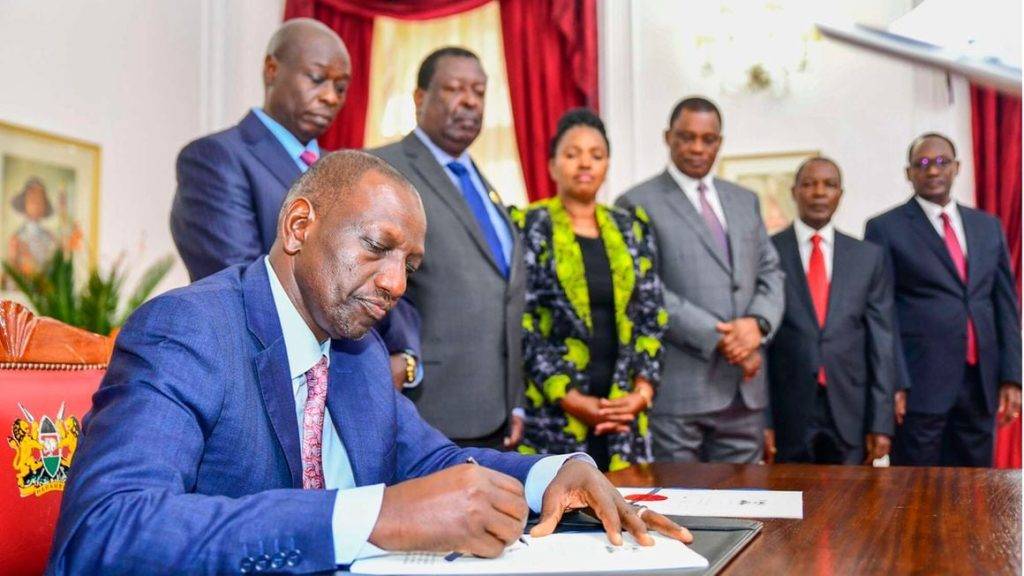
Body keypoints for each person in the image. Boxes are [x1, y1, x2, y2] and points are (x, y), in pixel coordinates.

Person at [46, 151, 691, 575]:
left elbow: (430, 461)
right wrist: (377, 518)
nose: (395, 284)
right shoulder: (188, 330)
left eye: (409, 266)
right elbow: (105, 532)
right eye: (378, 248)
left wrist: (555, 473)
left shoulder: (355, 349)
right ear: (299, 225)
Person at [169, 18, 419, 388]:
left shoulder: (356, 175)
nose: (331, 97)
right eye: (317, 79)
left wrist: (406, 359)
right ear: (272, 70)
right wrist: (366, 364)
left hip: (355, 381)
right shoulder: (216, 158)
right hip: (260, 381)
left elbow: (392, 275)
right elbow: (247, 282)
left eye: (341, 87)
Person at [369, 47, 525, 448]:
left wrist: (516, 401)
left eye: (478, 91)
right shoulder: (384, 170)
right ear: (420, 98)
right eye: (455, 88)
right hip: (426, 406)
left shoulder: (479, 179)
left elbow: (503, 293)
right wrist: (404, 363)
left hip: (493, 410)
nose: (470, 101)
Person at [616, 96, 784, 464]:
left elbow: (771, 270)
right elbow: (645, 291)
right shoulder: (635, 203)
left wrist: (757, 324)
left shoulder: (744, 200)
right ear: (668, 137)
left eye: (707, 139)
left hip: (746, 389)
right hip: (680, 390)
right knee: (682, 510)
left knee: (747, 510)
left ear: (719, 143)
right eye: (686, 137)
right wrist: (722, 337)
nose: (696, 147)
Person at [515, 109, 665, 472]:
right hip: (555, 413)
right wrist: (571, 399)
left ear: (607, 164)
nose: (585, 163)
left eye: (596, 155)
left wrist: (641, 394)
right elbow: (523, 325)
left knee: (629, 513)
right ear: (552, 165)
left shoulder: (632, 228)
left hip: (623, 412)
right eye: (572, 154)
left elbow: (652, 315)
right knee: (560, 517)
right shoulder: (528, 225)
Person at [864, 133, 1022, 467]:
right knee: (917, 494)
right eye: (922, 164)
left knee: (975, 490)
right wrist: (895, 381)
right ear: (909, 173)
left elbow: (1005, 304)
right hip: (920, 383)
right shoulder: (885, 228)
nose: (932, 171)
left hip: (980, 382)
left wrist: (1012, 376)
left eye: (941, 162)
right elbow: (882, 312)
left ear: (956, 168)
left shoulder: (987, 226)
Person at [765, 157, 897, 465]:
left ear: (841, 194)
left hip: (851, 409)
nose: (819, 192)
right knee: (789, 507)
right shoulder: (769, 251)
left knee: (852, 505)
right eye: (809, 184)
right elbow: (762, 345)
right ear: (794, 191)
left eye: (829, 185)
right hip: (789, 410)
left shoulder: (867, 257)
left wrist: (881, 422)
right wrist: (763, 420)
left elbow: (881, 343)